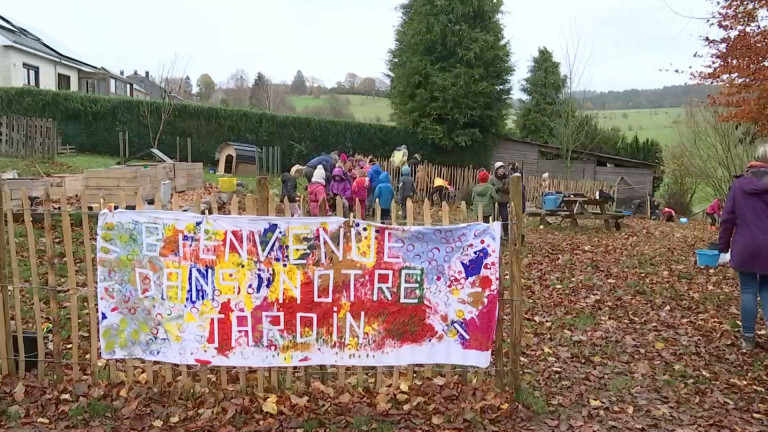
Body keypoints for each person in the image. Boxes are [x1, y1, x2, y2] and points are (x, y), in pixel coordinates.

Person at [719, 144, 768, 349]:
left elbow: (728, 218)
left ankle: (748, 338)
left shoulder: (739, 185)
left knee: (748, 291)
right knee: (767, 289)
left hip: (746, 246)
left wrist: (722, 247)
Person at [489, 162, 510, 237]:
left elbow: (510, 189)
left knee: (505, 218)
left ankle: (506, 235)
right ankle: (495, 235)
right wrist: (498, 188)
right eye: (500, 168)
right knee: (495, 218)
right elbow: (489, 189)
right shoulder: (492, 179)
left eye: (503, 168)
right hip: (495, 202)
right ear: (496, 170)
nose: (502, 170)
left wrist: (506, 188)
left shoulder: (507, 179)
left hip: (504, 202)